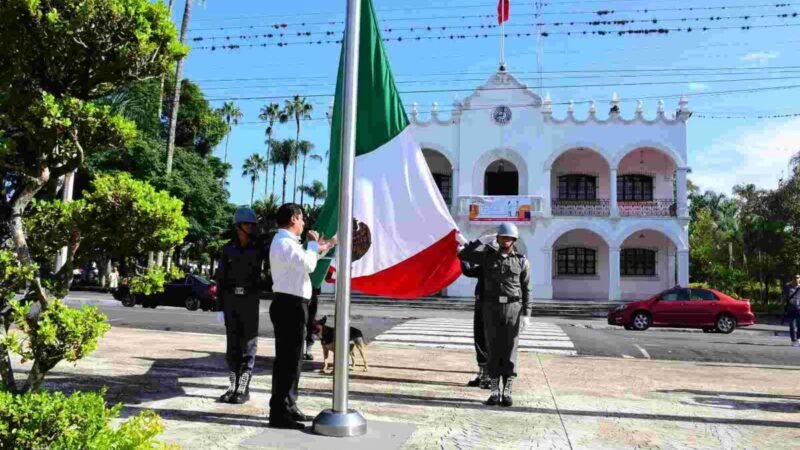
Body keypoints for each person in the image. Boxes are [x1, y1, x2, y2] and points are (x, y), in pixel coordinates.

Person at [268, 203, 335, 429]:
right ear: (294, 219)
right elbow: (308, 263)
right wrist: (314, 244)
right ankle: (279, 413)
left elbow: (308, 259)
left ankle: (289, 404)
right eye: (302, 218)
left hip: (293, 305)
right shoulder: (284, 243)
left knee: (293, 360)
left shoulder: (289, 244)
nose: (305, 223)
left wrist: (326, 245)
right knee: (288, 361)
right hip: (289, 305)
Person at [458, 222, 532, 407]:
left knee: (509, 350)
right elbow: (463, 255)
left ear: (514, 240)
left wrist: (527, 314)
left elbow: (527, 288)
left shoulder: (522, 261)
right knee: (492, 349)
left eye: (509, 238)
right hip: (491, 309)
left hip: (513, 309)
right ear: (497, 239)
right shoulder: (487, 257)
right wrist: (479, 241)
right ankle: (493, 391)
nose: (506, 240)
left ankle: (507, 391)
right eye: (503, 237)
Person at [215, 206, 264, 405]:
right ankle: (232, 384)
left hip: (250, 300)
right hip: (230, 300)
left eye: (253, 224)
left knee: (248, 345)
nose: (251, 227)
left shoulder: (259, 247)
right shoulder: (228, 248)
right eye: (247, 224)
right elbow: (220, 279)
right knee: (232, 345)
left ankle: (244, 386)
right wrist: (219, 306)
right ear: (238, 226)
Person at [461, 261, 489, 389]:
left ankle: (487, 375)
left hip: (487, 306)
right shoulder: (489, 264)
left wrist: (463, 256)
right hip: (483, 304)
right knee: (481, 339)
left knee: (483, 339)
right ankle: (483, 373)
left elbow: (468, 271)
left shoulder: (490, 264)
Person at [304, 286, 322, 361]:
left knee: (310, 324)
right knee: (306, 324)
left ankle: (308, 350)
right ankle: (307, 351)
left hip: (308, 296)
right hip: (304, 296)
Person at [783, 274, 800, 347]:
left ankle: (798, 339)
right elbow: (783, 296)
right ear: (792, 279)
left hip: (799, 309)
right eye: (795, 278)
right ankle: (793, 340)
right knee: (792, 325)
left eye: (798, 278)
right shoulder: (787, 287)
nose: (796, 279)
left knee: (799, 325)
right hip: (791, 309)